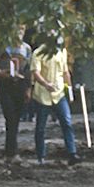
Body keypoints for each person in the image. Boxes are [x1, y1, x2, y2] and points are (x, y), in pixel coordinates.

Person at [30, 36, 81, 166]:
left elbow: (65, 73)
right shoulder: (37, 53)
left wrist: (69, 91)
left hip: (59, 94)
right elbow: (36, 72)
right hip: (43, 95)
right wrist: (45, 84)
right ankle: (41, 156)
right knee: (40, 127)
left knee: (67, 122)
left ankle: (72, 153)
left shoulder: (61, 52)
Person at [0, 39, 30, 159]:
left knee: (15, 120)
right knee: (10, 117)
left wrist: (28, 88)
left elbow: (28, 69)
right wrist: (0, 72)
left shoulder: (27, 48)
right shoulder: (2, 47)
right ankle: (11, 151)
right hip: (5, 85)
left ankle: (11, 150)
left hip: (20, 85)